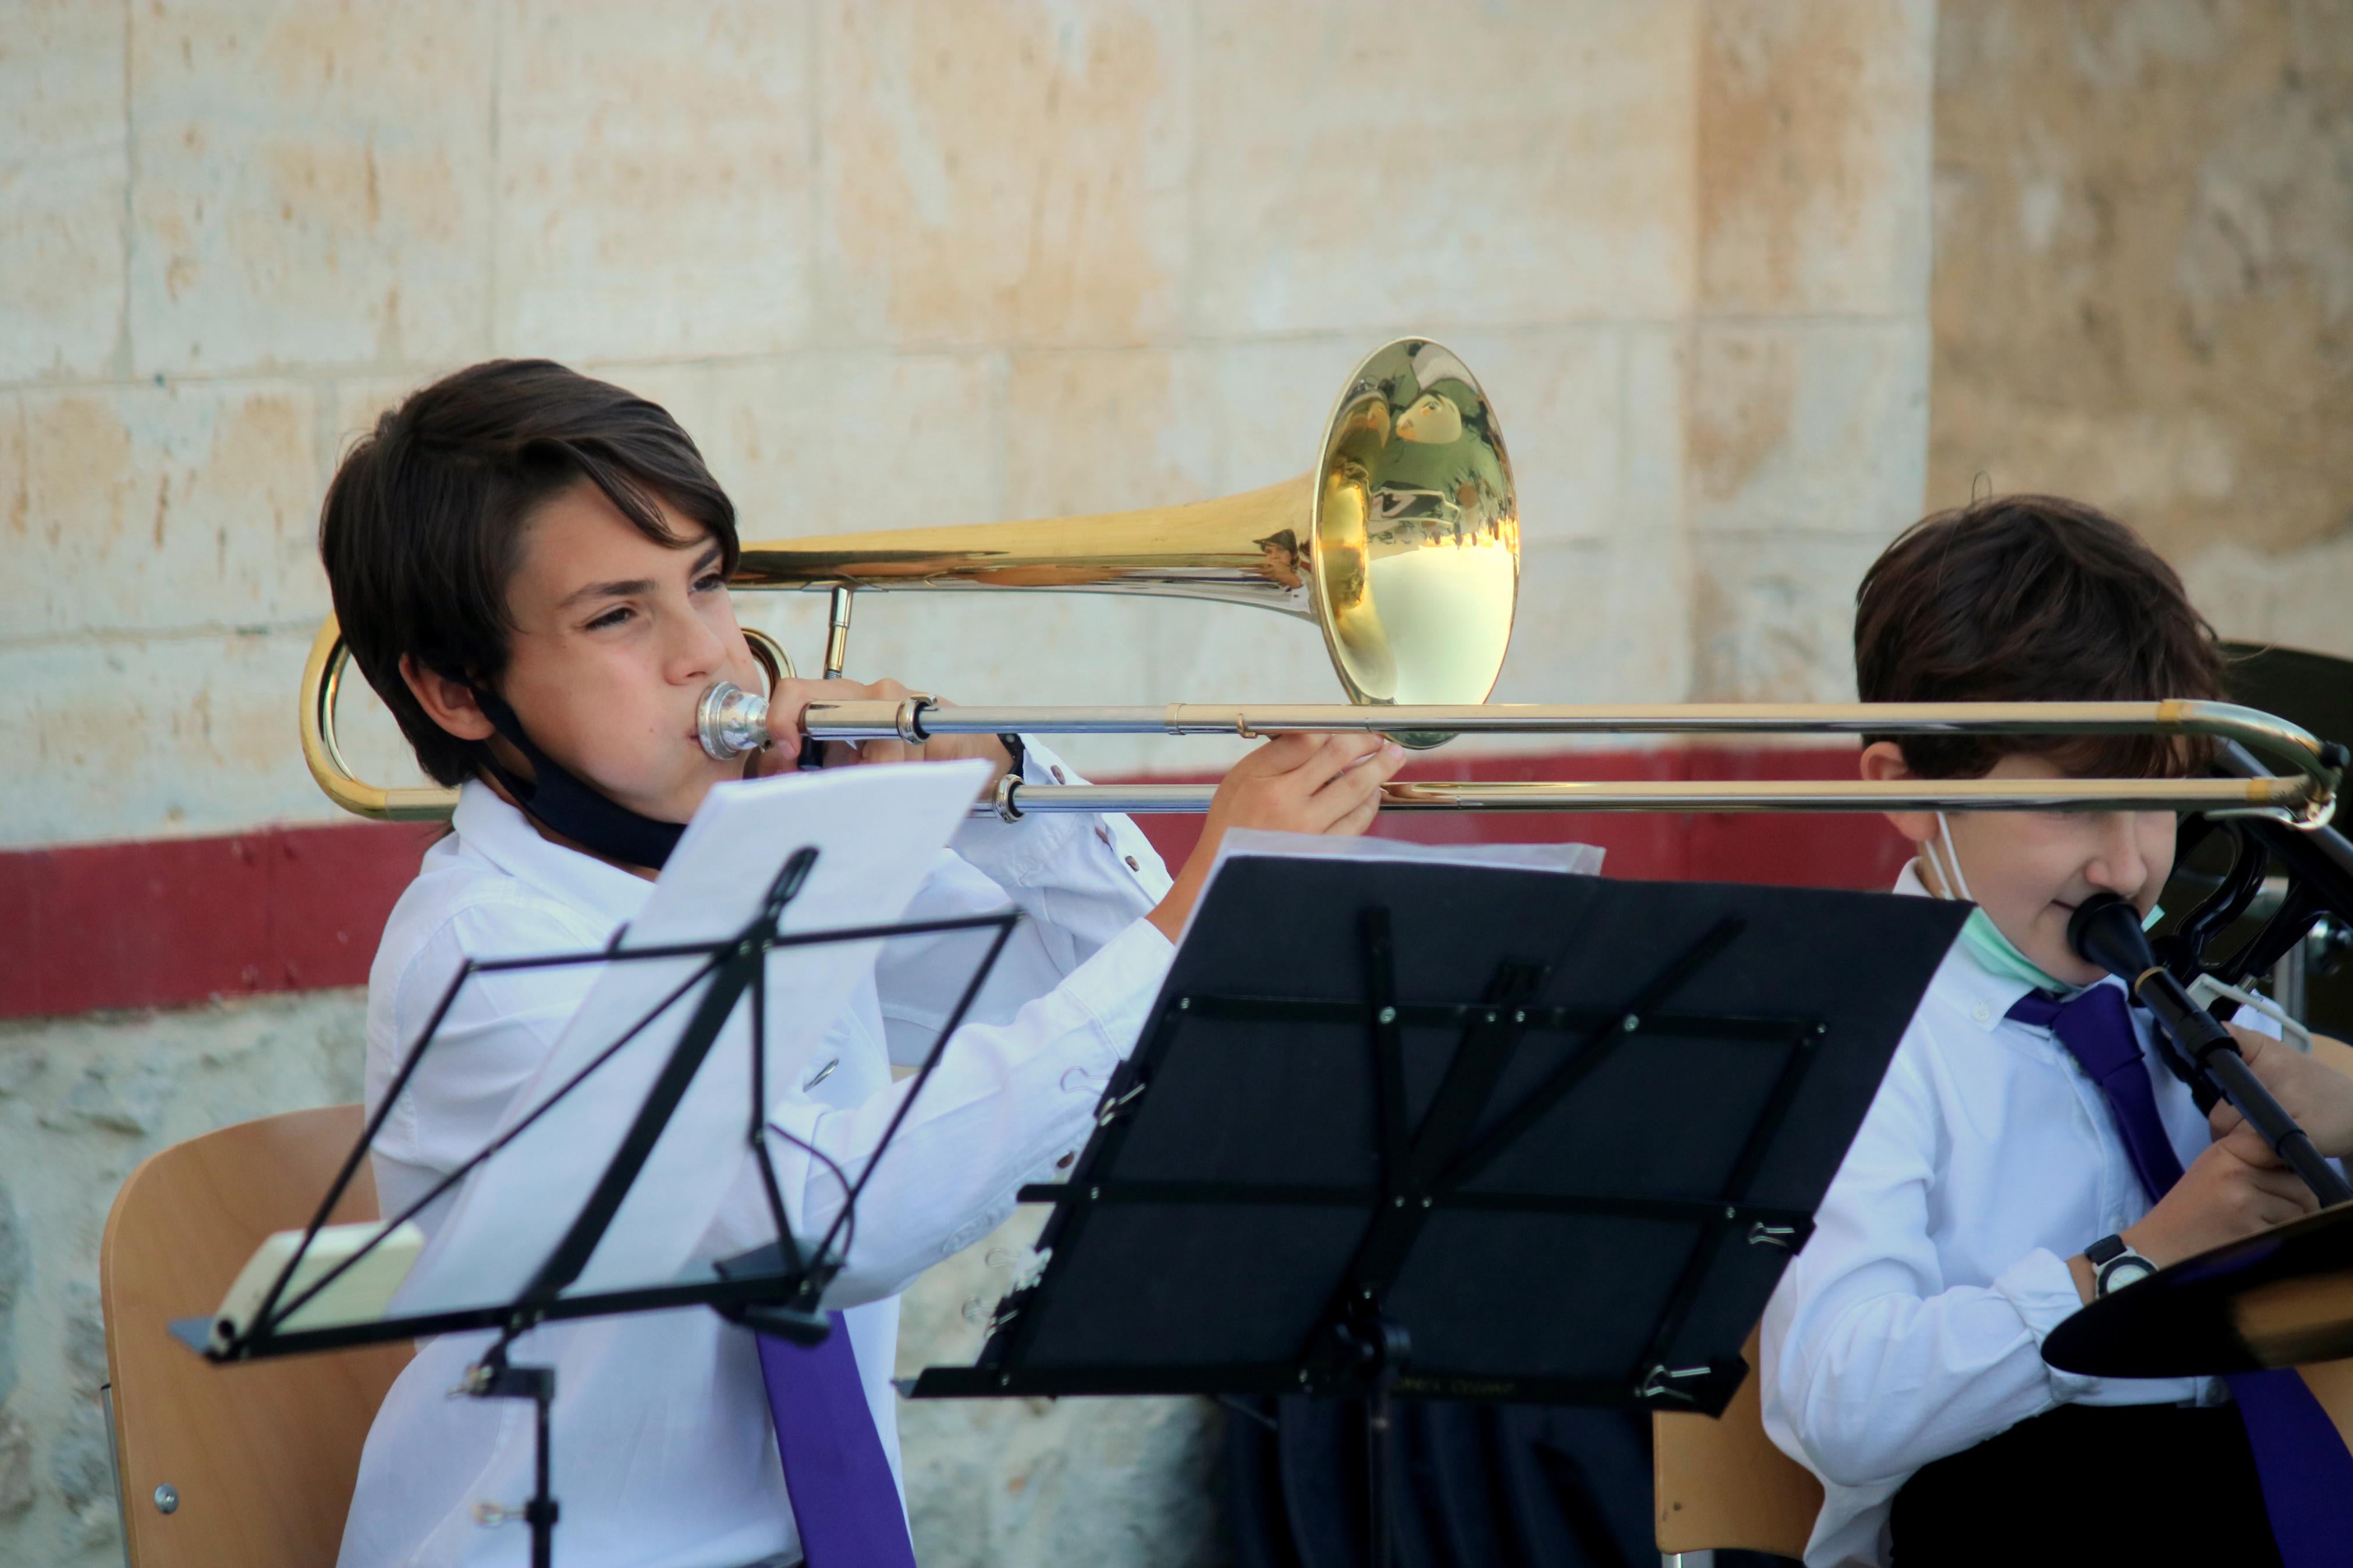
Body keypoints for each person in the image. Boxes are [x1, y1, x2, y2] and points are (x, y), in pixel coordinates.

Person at [319, 359, 1408, 1568]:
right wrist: (1201, 902)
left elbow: (1138, 1020)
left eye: (709, 583)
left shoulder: (779, 852)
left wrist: (997, 786)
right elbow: (819, 1216)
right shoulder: (493, 955)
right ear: (454, 689)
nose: (713, 657)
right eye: (619, 616)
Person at [1758, 495, 2353, 1568]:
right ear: (1905, 790)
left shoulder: (2204, 1001)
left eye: (2156, 802)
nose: (2125, 867)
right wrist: (2137, 1264)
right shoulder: (1861, 1040)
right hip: (2014, 1515)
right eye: (2074, 806)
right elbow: (1839, 1403)